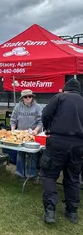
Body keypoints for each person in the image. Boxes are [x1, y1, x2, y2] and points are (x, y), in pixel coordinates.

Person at [41, 78, 83, 224]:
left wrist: (47, 128)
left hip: (58, 142)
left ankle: (50, 210)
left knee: (49, 175)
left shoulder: (59, 97)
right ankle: (72, 212)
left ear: (65, 89)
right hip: (78, 145)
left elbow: (45, 114)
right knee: (73, 178)